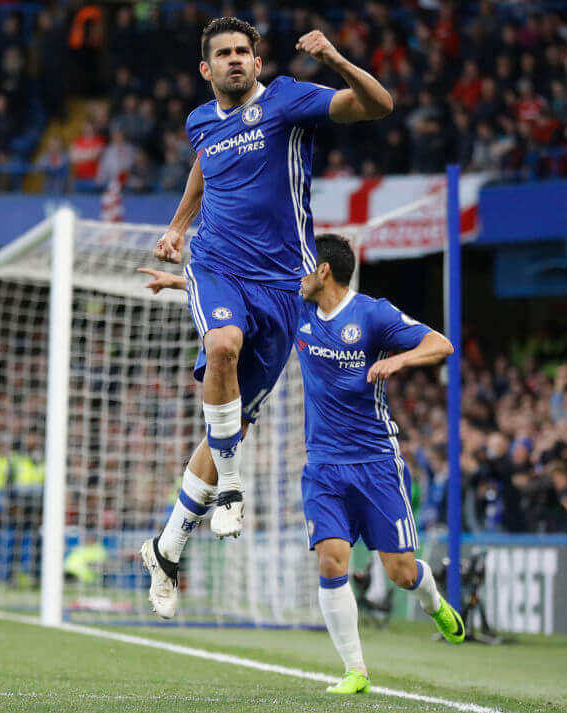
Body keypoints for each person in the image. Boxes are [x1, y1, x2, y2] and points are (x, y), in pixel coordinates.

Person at [142, 17, 393, 620]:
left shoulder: (287, 100)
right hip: (217, 263)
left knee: (226, 428)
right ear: (206, 70)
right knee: (222, 346)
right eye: (223, 54)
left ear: (257, 62)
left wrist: (332, 56)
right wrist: (179, 229)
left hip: (284, 288)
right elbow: (205, 163)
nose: (234, 60)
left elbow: (378, 105)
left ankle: (166, 546)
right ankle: (232, 486)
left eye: (243, 52)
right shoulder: (201, 121)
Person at [138, 233, 463, 695]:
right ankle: (355, 671)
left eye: (303, 267)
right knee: (332, 563)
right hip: (323, 467)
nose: (295, 276)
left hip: (376, 464)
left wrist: (401, 360)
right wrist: (178, 282)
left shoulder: (374, 314)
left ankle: (434, 602)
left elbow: (442, 344)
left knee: (401, 572)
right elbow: (244, 298)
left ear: (324, 270)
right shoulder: (297, 311)